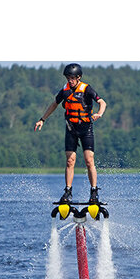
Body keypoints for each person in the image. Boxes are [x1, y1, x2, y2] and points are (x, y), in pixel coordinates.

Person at [34, 63, 107, 204]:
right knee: (70, 161)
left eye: (72, 77)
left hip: (86, 129)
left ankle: (94, 191)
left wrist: (99, 113)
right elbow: (54, 104)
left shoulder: (86, 89)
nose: (70, 80)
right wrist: (42, 119)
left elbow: (102, 102)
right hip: (71, 129)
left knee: (89, 160)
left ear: (78, 77)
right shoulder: (65, 90)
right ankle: (67, 192)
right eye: (68, 77)